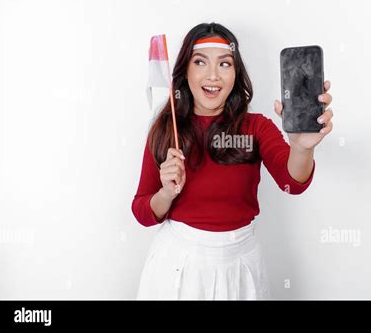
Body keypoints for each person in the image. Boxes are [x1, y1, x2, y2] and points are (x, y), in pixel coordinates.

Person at [132, 22, 334, 300]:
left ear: (236, 73)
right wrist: (166, 193)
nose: (212, 75)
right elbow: (142, 211)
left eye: (225, 64)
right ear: (185, 71)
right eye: (200, 62)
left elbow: (293, 183)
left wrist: (301, 147)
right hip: (176, 268)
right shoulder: (167, 129)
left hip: (242, 268)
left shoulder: (257, 127)